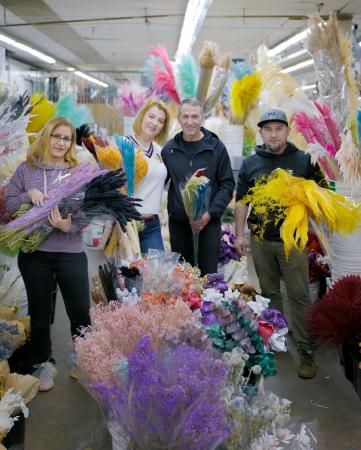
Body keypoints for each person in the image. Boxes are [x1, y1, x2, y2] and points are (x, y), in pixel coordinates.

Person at [235, 108, 326, 379]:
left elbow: (322, 194)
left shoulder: (304, 160)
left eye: (279, 128)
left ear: (287, 131)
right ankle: (277, 340)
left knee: (299, 295)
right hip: (261, 241)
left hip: (293, 240)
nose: (273, 134)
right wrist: (239, 234)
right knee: (270, 293)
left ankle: (306, 350)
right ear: (261, 132)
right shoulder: (251, 163)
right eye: (268, 129)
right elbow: (241, 201)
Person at [5, 117, 90, 391]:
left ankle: (84, 359)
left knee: (79, 309)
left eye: (67, 138)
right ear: (46, 136)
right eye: (56, 136)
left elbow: (89, 211)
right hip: (35, 253)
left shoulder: (78, 173)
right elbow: (7, 205)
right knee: (40, 311)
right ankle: (44, 362)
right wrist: (28, 195)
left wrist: (69, 225)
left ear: (71, 144)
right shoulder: (26, 169)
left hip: (70, 251)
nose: (61, 142)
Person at [161, 98, 235, 276]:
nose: (190, 122)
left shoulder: (216, 148)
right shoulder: (169, 150)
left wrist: (210, 213)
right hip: (179, 224)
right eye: (185, 116)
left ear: (203, 118)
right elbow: (159, 181)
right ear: (178, 119)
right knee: (183, 277)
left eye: (195, 116)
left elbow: (227, 184)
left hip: (208, 223)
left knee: (208, 276)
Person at [126, 98, 170, 254]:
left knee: (155, 276)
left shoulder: (160, 151)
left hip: (152, 225)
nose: (155, 123)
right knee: (128, 276)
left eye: (160, 120)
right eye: (151, 116)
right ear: (142, 116)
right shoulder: (124, 145)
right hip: (126, 225)